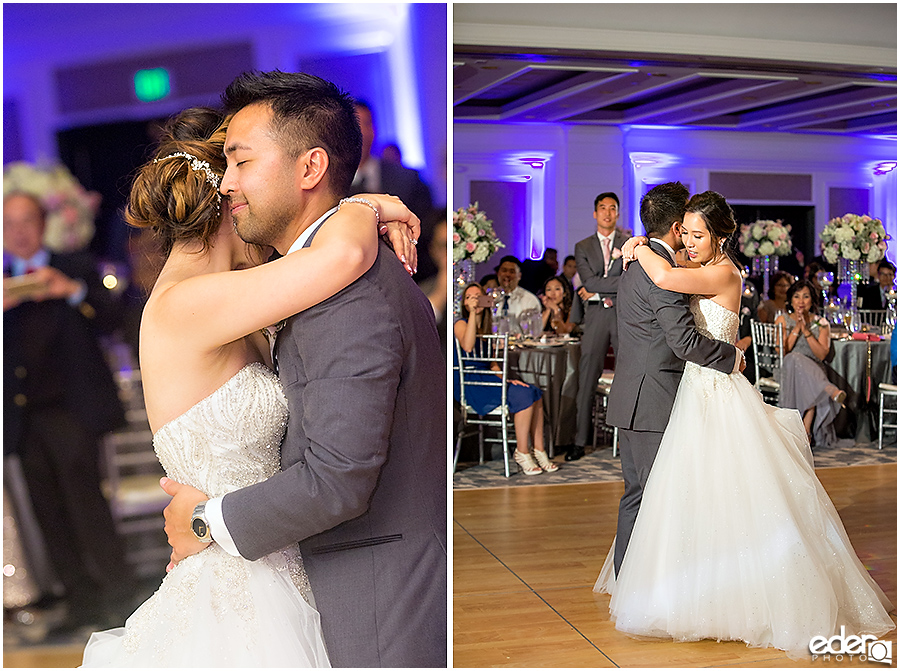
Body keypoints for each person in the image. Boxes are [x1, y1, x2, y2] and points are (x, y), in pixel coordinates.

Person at [83, 77, 442, 668]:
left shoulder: (247, 299)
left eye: (241, 164)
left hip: (287, 561)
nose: (233, 181)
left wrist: (354, 205)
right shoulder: (187, 305)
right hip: (240, 582)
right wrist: (358, 204)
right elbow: (340, 254)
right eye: (230, 168)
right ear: (226, 201)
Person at [595, 190, 894, 658]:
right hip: (694, 390)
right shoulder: (692, 268)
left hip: (715, 387)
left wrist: (636, 246)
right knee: (687, 496)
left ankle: (729, 592)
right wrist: (641, 246)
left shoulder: (721, 272)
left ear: (720, 236)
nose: (690, 242)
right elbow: (668, 279)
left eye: (698, 235)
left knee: (727, 492)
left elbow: (667, 278)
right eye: (687, 234)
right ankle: (689, 586)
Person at [4, 192, 133, 633]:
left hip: (72, 411)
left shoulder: (74, 265)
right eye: (8, 223)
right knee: (49, 515)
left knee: (88, 508)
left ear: (42, 225)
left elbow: (113, 319)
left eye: (26, 221)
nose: (18, 231)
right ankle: (81, 605)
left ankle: (120, 596)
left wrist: (73, 291)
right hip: (23, 419)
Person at [454, 283, 558, 474]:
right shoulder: (460, 323)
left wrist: (506, 380)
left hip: (489, 379)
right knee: (524, 396)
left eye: (478, 296)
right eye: (470, 297)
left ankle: (539, 449)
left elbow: (493, 364)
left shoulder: (487, 328)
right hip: (471, 381)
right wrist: (472, 315)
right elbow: (468, 346)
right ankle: (522, 451)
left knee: (534, 392)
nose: (475, 300)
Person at [350, 100, 436, 281]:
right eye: (355, 125)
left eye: (367, 124)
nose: (362, 133)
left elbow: (428, 231)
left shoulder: (407, 179)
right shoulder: (331, 184)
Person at [570, 192, 628, 462]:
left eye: (612, 208)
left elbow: (631, 281)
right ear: (595, 213)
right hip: (595, 317)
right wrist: (599, 290)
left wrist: (596, 289)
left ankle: (627, 439)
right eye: (602, 208)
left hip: (623, 315)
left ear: (618, 213)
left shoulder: (629, 243)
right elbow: (589, 281)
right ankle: (579, 441)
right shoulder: (582, 246)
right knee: (586, 379)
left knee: (628, 375)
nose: (607, 213)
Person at [776, 280, 846, 447]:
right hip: (787, 368)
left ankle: (805, 434)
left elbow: (822, 354)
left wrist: (807, 330)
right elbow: (783, 351)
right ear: (790, 300)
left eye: (806, 297)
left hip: (814, 370)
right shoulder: (782, 319)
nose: (801, 301)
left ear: (812, 300)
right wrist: (797, 328)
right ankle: (830, 390)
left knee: (806, 381)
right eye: (797, 296)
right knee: (794, 359)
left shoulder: (821, 323)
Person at [495, 255, 541, 332]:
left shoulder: (529, 299)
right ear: (498, 273)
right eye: (504, 270)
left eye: (512, 272)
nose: (507, 275)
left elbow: (535, 330)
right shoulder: (491, 297)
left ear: (519, 276)